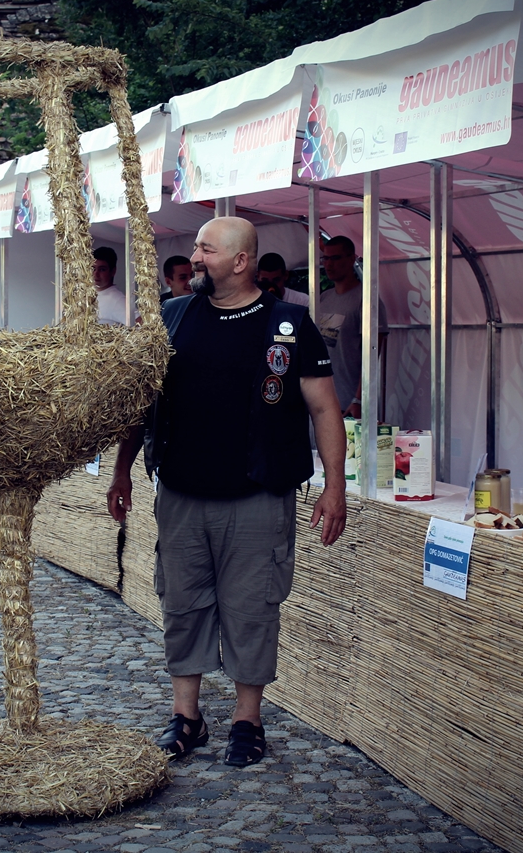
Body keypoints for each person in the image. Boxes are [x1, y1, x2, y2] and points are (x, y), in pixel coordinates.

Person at [106, 216, 348, 767]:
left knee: (252, 608)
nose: (194, 258)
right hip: (181, 493)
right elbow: (140, 404)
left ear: (240, 261)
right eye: (195, 248)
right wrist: (122, 470)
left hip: (258, 496)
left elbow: (324, 408)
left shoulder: (289, 324)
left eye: (205, 250)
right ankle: (187, 717)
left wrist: (334, 486)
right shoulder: (171, 317)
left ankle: (247, 720)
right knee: (182, 603)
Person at [316, 236, 362, 418]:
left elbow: (375, 358)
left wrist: (358, 399)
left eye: (335, 258)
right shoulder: (324, 298)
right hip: (321, 398)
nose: (329, 264)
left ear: (351, 259)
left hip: (348, 403)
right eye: (325, 258)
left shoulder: (365, 300)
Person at [94, 246, 129, 325]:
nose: (96, 274)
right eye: (93, 268)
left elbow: (141, 325)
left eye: (102, 269)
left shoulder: (117, 299)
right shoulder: (90, 294)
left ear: (113, 271)